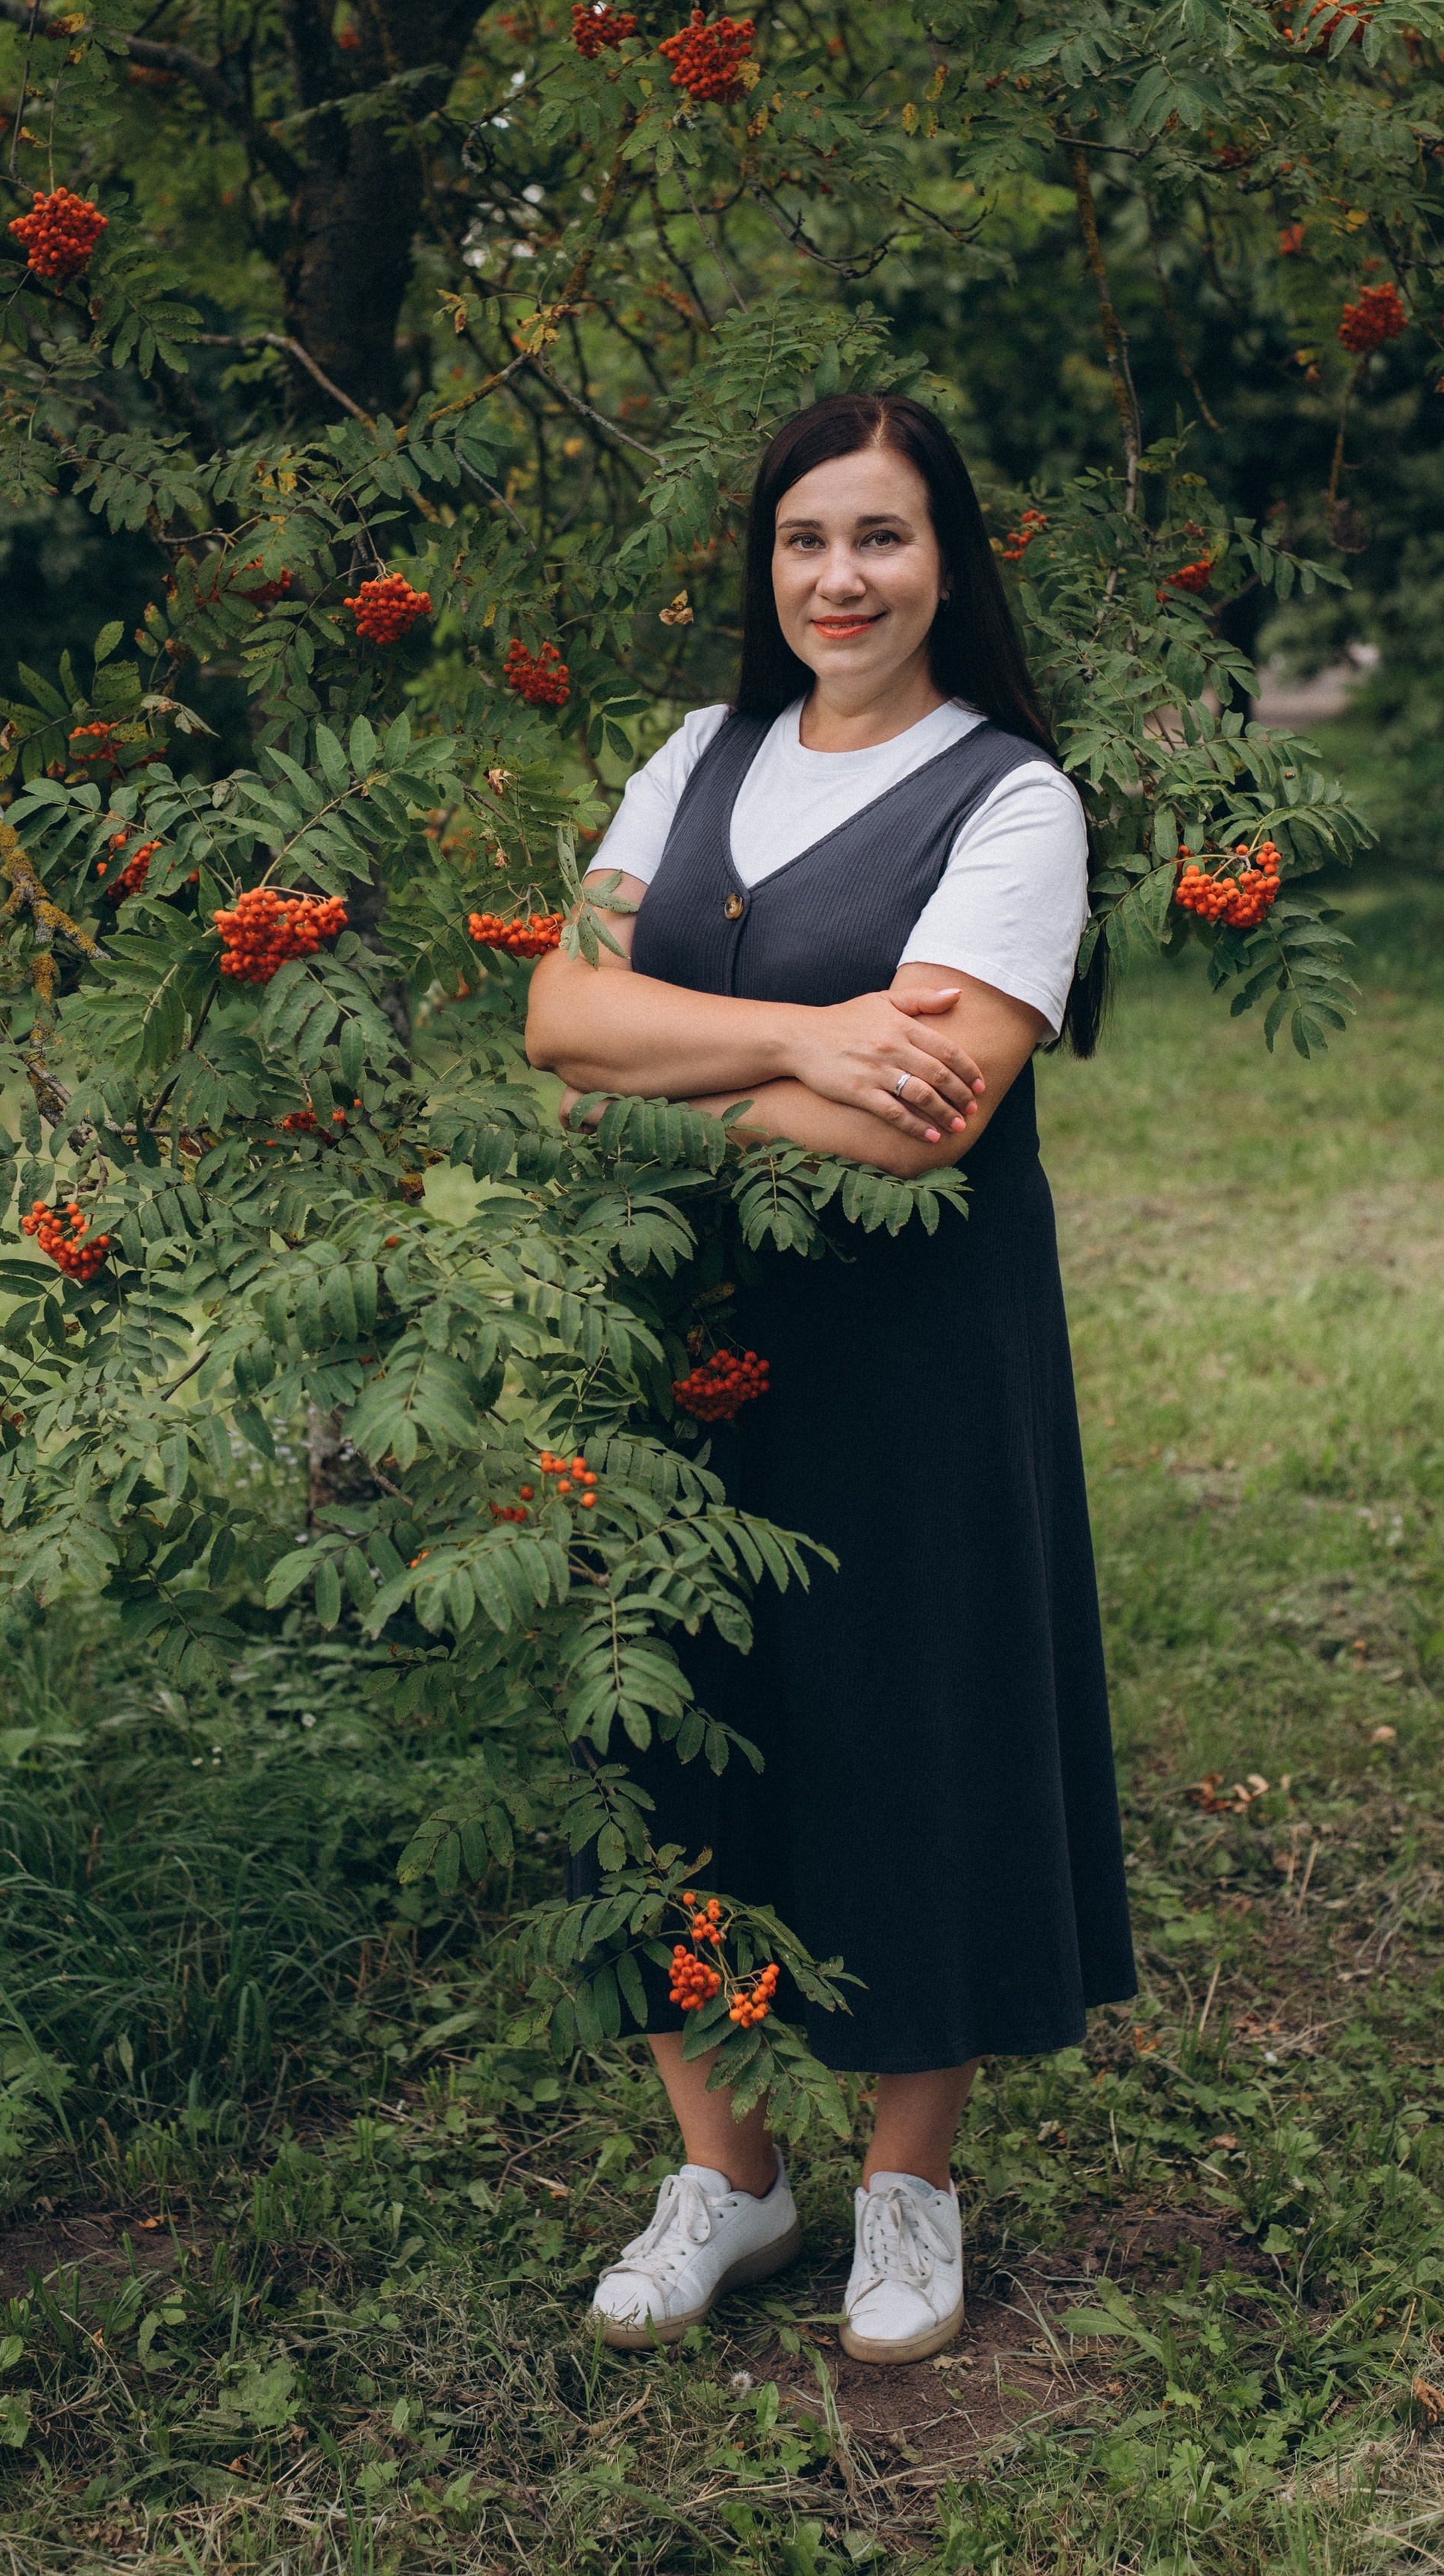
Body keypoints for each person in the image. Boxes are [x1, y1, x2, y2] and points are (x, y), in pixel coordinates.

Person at [524, 392, 1136, 2365]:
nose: (839, 579)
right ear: (765, 563)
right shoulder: (695, 755)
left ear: (947, 556)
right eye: (805, 539)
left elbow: (926, 1125)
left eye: (879, 537)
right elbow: (557, 1014)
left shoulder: (1015, 799)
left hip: (914, 1357)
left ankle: (906, 2191)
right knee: (681, 1737)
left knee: (910, 1720)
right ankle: (730, 2178)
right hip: (680, 1342)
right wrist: (814, 1036)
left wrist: (673, 1064)